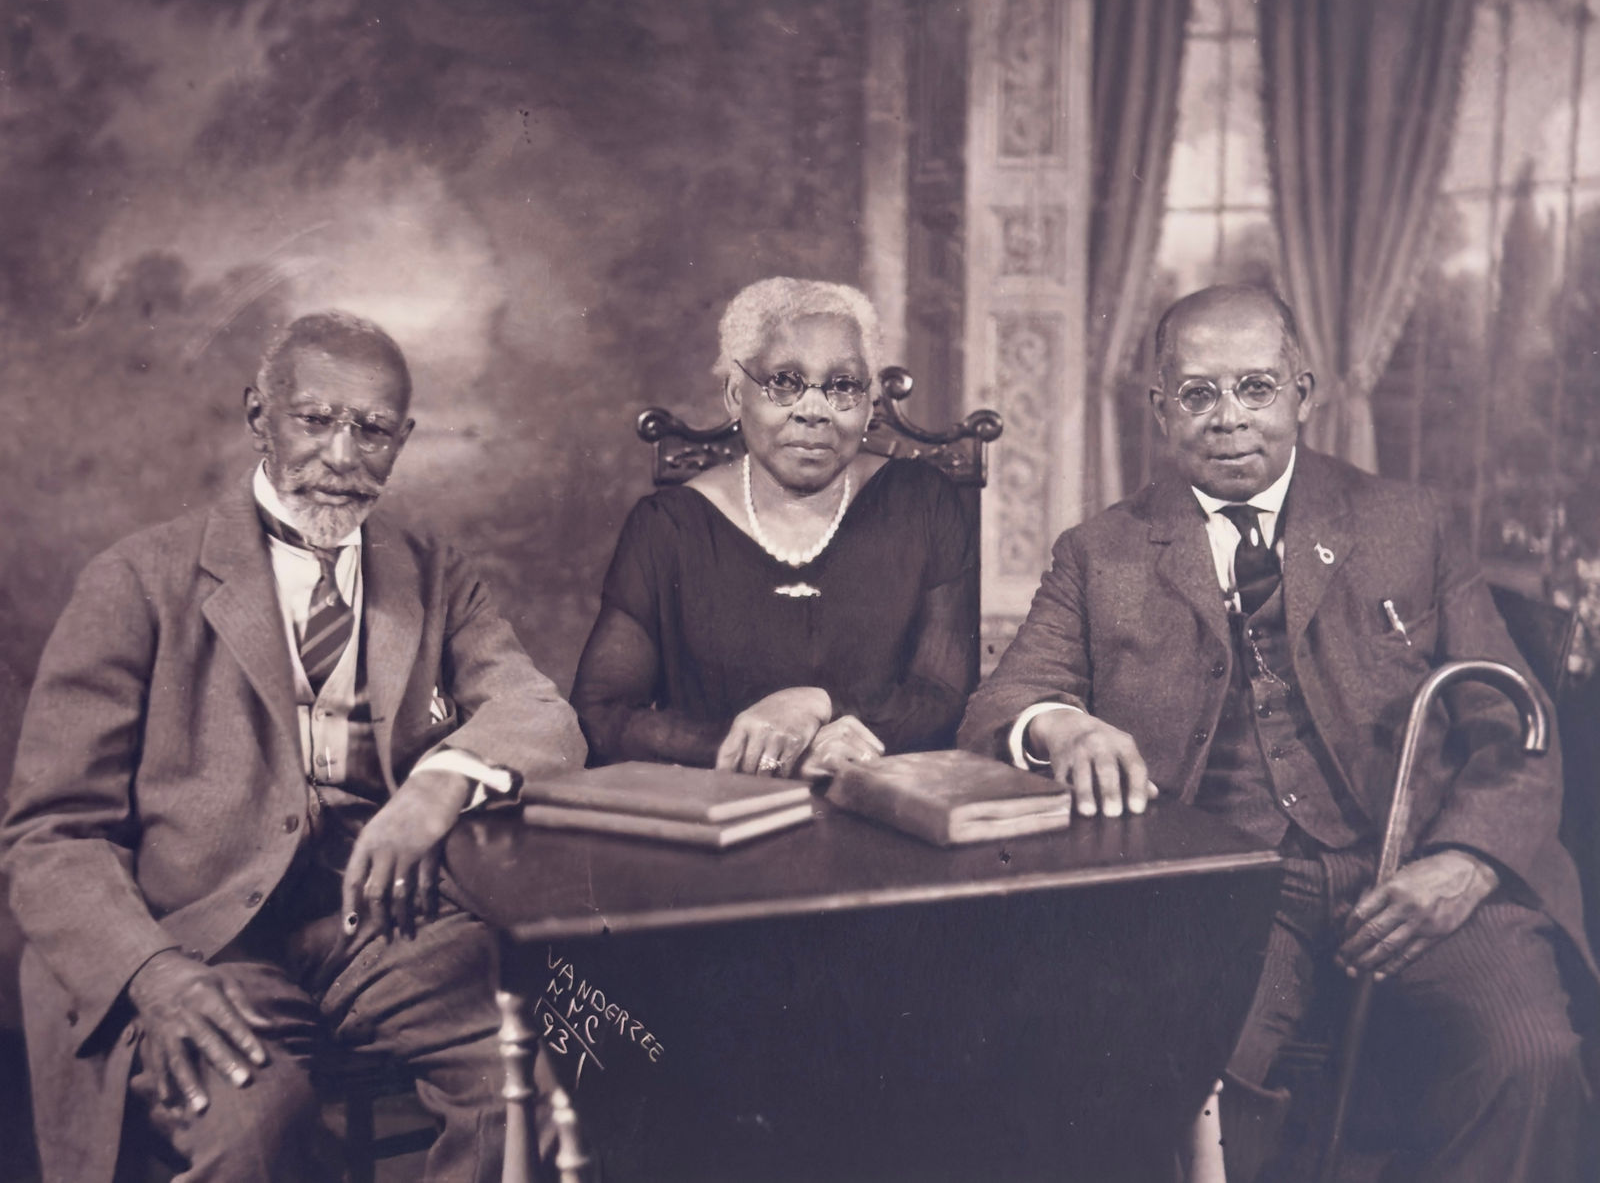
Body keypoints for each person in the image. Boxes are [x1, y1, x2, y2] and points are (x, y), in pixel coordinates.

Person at [958, 284, 1594, 1182]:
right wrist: (1062, 726)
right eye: (1198, 393)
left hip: (1418, 867)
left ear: (1305, 392)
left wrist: (1467, 865)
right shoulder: (1099, 552)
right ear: (1159, 408)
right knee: (1162, 1091)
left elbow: (1515, 729)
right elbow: (999, 707)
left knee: (1530, 1057)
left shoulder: (1407, 522)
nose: (1228, 419)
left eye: (1255, 388)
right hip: (1230, 891)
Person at [2, 312, 587, 1183]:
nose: (343, 455)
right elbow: (49, 837)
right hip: (198, 936)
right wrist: (154, 975)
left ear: (403, 440)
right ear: (258, 419)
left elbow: (540, 712)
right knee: (253, 1130)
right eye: (315, 420)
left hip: (381, 923)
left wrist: (437, 788)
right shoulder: (135, 581)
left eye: (373, 429)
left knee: (529, 1102)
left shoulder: (434, 572)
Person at [572, 277, 977, 779]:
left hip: (883, 810)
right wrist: (773, 749)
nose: (814, 411)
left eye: (843, 385)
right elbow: (601, 715)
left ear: (871, 401)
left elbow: (944, 696)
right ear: (735, 395)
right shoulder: (668, 527)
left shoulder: (922, 501)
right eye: (784, 382)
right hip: (718, 819)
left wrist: (817, 704)